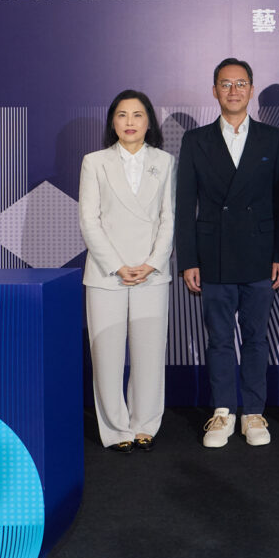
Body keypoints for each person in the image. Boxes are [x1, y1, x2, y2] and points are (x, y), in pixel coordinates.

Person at [175, 58, 279, 448]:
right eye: (226, 84)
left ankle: (253, 412)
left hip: (260, 252)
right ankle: (222, 411)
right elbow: (185, 204)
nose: (233, 91)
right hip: (214, 253)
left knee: (256, 338)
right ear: (214, 91)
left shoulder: (274, 138)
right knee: (219, 338)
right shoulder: (196, 140)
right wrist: (189, 259)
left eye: (241, 84)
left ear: (251, 90)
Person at [77, 89, 176, 452]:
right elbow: (89, 220)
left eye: (137, 115)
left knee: (149, 354)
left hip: (152, 272)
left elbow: (169, 218)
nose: (130, 122)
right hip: (106, 273)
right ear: (112, 122)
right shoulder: (94, 162)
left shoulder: (165, 161)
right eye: (122, 115)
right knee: (106, 355)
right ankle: (115, 428)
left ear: (149, 122)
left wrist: (152, 262)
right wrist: (117, 265)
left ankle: (144, 424)